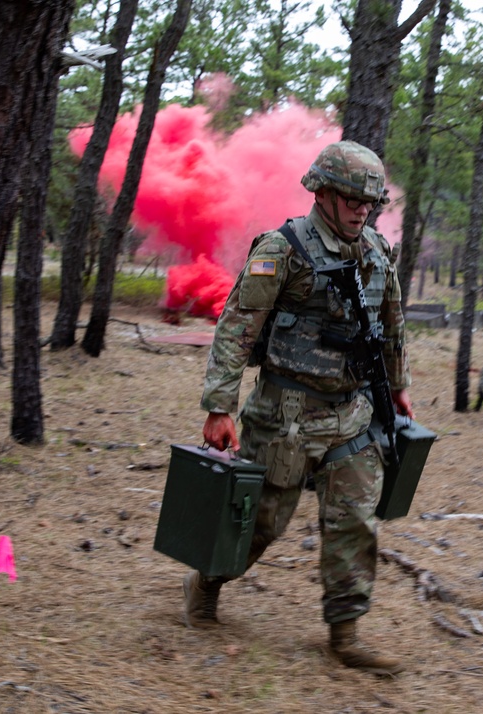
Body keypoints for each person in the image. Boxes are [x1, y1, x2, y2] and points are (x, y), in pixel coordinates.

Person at [188, 140, 414, 677]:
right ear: (323, 193)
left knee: (355, 523)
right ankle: (206, 583)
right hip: (284, 415)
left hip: (352, 416)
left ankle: (345, 633)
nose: (363, 209)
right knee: (260, 525)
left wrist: (399, 386)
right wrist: (220, 405)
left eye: (370, 202)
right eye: (352, 199)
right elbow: (237, 327)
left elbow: (391, 325)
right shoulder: (282, 249)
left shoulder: (377, 251)